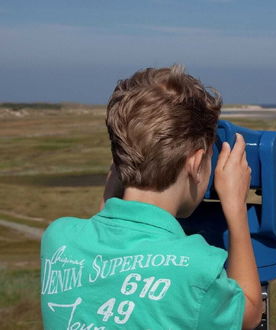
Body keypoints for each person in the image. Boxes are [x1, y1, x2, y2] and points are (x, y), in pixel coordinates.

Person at [40, 65, 263, 329]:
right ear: (196, 162)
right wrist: (236, 206)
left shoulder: (59, 240)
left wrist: (118, 180)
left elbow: (107, 242)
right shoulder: (197, 268)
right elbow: (249, 311)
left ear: (120, 159)